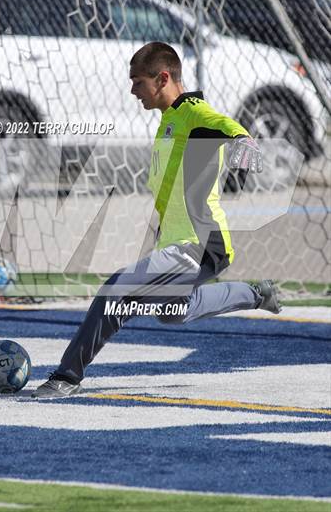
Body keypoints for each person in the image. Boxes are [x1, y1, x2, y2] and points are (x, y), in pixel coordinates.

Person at [32, 42, 281, 399]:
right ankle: (256, 294)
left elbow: (222, 123)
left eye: (138, 82)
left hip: (198, 242)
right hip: (184, 241)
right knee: (172, 311)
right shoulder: (169, 118)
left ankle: (66, 377)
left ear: (163, 78)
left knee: (117, 292)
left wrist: (243, 139)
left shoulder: (193, 111)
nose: (133, 91)